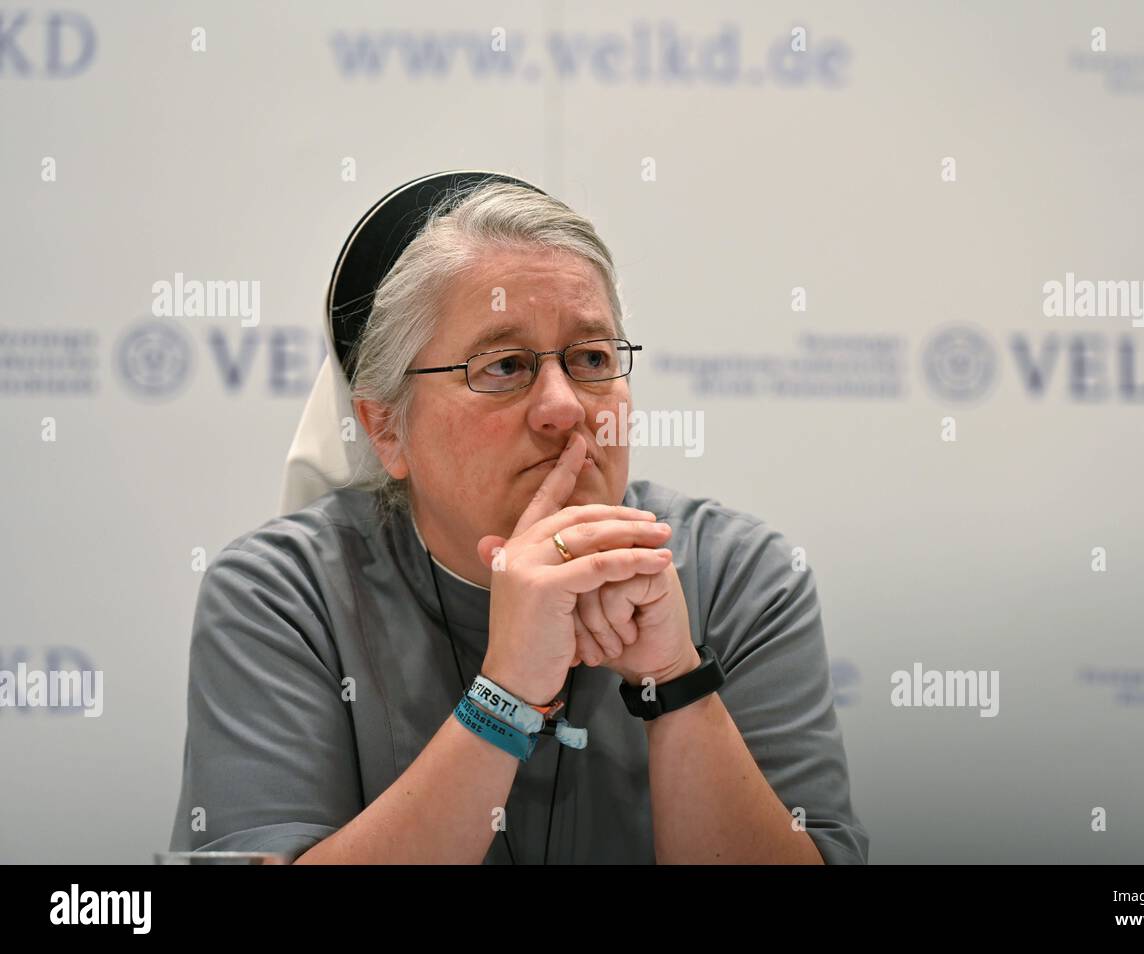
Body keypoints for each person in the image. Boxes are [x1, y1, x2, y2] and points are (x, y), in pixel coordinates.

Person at [168, 172, 869, 864]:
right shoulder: (279, 594)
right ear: (386, 430)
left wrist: (676, 680)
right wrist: (505, 694)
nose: (564, 407)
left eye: (592, 358)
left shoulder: (739, 574)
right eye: (504, 366)